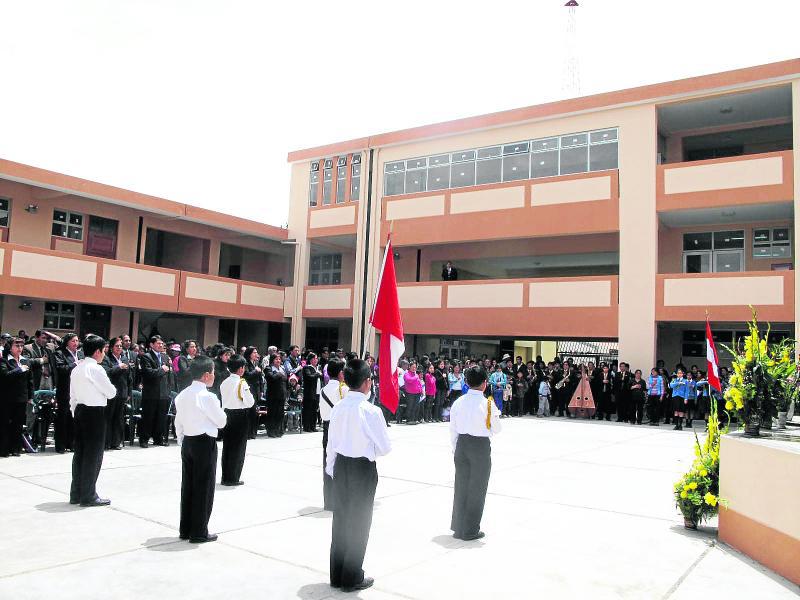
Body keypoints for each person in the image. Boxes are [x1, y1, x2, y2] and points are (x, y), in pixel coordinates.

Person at [326, 359, 391, 592]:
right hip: (362, 468)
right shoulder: (371, 411)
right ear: (367, 383)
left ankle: (337, 573)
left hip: (341, 466)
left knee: (341, 520)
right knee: (359, 522)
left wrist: (331, 468)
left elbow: (330, 443)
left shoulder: (339, 407)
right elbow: (384, 447)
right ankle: (352, 577)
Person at [174, 355, 226, 543]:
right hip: (204, 442)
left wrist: (182, 439)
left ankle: (185, 528)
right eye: (212, 373)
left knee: (188, 485)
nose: (214, 376)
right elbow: (221, 421)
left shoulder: (182, 394)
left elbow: (177, 421)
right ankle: (199, 531)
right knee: (203, 487)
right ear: (205, 375)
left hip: (188, 440)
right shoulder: (208, 397)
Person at [449, 365, 501, 541]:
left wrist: (456, 448)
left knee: (461, 486)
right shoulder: (488, 403)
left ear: (466, 382)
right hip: (479, 446)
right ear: (485, 384)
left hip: (462, 444)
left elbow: (453, 429)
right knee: (477, 488)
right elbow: (497, 428)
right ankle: (470, 529)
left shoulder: (458, 402)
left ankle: (458, 527)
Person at [69, 334, 117, 506]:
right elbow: (111, 392)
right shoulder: (96, 369)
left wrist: (76, 412)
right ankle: (88, 495)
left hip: (80, 410)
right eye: (103, 350)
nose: (104, 354)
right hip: (94, 412)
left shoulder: (77, 368)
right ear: (97, 351)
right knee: (93, 455)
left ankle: (76, 492)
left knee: (80, 453)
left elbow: (72, 397)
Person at [220, 354, 254, 486]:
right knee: (238, 448)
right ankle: (233, 477)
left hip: (227, 414)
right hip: (240, 416)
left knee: (228, 447)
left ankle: (226, 476)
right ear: (240, 369)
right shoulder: (241, 382)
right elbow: (250, 401)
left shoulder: (224, 382)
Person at [319, 357, 347, 510]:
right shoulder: (343, 389)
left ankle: (329, 501)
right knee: (340, 464)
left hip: (326, 428)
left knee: (327, 463)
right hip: (339, 428)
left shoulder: (324, 389)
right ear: (341, 373)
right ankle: (338, 500)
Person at [0, 337, 33, 457]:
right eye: (17, 346)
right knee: (5, 423)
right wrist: (19, 370)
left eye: (21, 346)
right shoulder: (4, 360)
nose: (20, 348)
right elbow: (4, 376)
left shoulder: (26, 360)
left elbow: (30, 380)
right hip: (7, 398)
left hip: (21, 397)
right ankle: (4, 449)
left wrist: (30, 396)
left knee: (18, 424)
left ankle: (16, 448)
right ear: (10, 347)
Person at [138, 335, 172, 447]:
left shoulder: (165, 357)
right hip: (151, 393)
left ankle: (158, 438)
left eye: (162, 343)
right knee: (148, 417)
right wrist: (161, 370)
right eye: (158, 343)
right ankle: (144, 439)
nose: (161, 345)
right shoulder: (146, 357)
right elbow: (148, 373)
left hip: (163, 393)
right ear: (151, 345)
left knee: (161, 417)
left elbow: (169, 374)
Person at [54, 333, 82, 453]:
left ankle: (72, 443)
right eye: (73, 341)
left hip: (78, 391)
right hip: (65, 391)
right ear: (67, 342)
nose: (76, 343)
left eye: (77, 341)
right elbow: (61, 369)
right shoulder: (60, 353)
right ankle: (61, 445)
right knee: (63, 418)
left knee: (74, 418)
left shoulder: (80, 354)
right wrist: (75, 364)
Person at [101, 337, 131, 450]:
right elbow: (106, 372)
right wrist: (118, 367)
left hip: (122, 392)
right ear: (112, 348)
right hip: (111, 392)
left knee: (119, 418)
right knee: (109, 417)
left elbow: (129, 377)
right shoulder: (107, 358)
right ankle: (106, 442)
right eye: (117, 346)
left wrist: (128, 392)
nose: (119, 348)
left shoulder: (124, 358)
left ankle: (116, 442)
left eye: (120, 346)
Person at [243, 347, 263, 439]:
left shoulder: (257, 363)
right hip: (249, 389)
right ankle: (248, 432)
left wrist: (261, 390)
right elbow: (247, 375)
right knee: (249, 412)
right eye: (254, 352)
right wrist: (256, 371)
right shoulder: (246, 363)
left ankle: (253, 432)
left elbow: (260, 378)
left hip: (257, 389)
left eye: (256, 352)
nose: (256, 354)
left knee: (255, 412)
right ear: (249, 353)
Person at [264, 353, 287, 437]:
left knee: (280, 413)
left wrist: (280, 373)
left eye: (279, 359)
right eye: (276, 359)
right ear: (272, 360)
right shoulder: (268, 368)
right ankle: (271, 431)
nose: (278, 361)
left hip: (282, 394)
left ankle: (278, 430)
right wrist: (279, 373)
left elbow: (285, 379)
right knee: (272, 413)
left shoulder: (282, 368)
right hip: (272, 395)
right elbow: (271, 377)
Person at [302, 353, 322, 432]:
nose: (316, 360)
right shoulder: (307, 367)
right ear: (310, 359)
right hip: (309, 392)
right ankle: (307, 427)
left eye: (317, 358)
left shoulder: (317, 368)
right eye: (314, 358)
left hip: (317, 392)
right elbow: (309, 377)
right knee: (308, 410)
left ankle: (313, 426)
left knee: (314, 410)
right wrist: (317, 374)